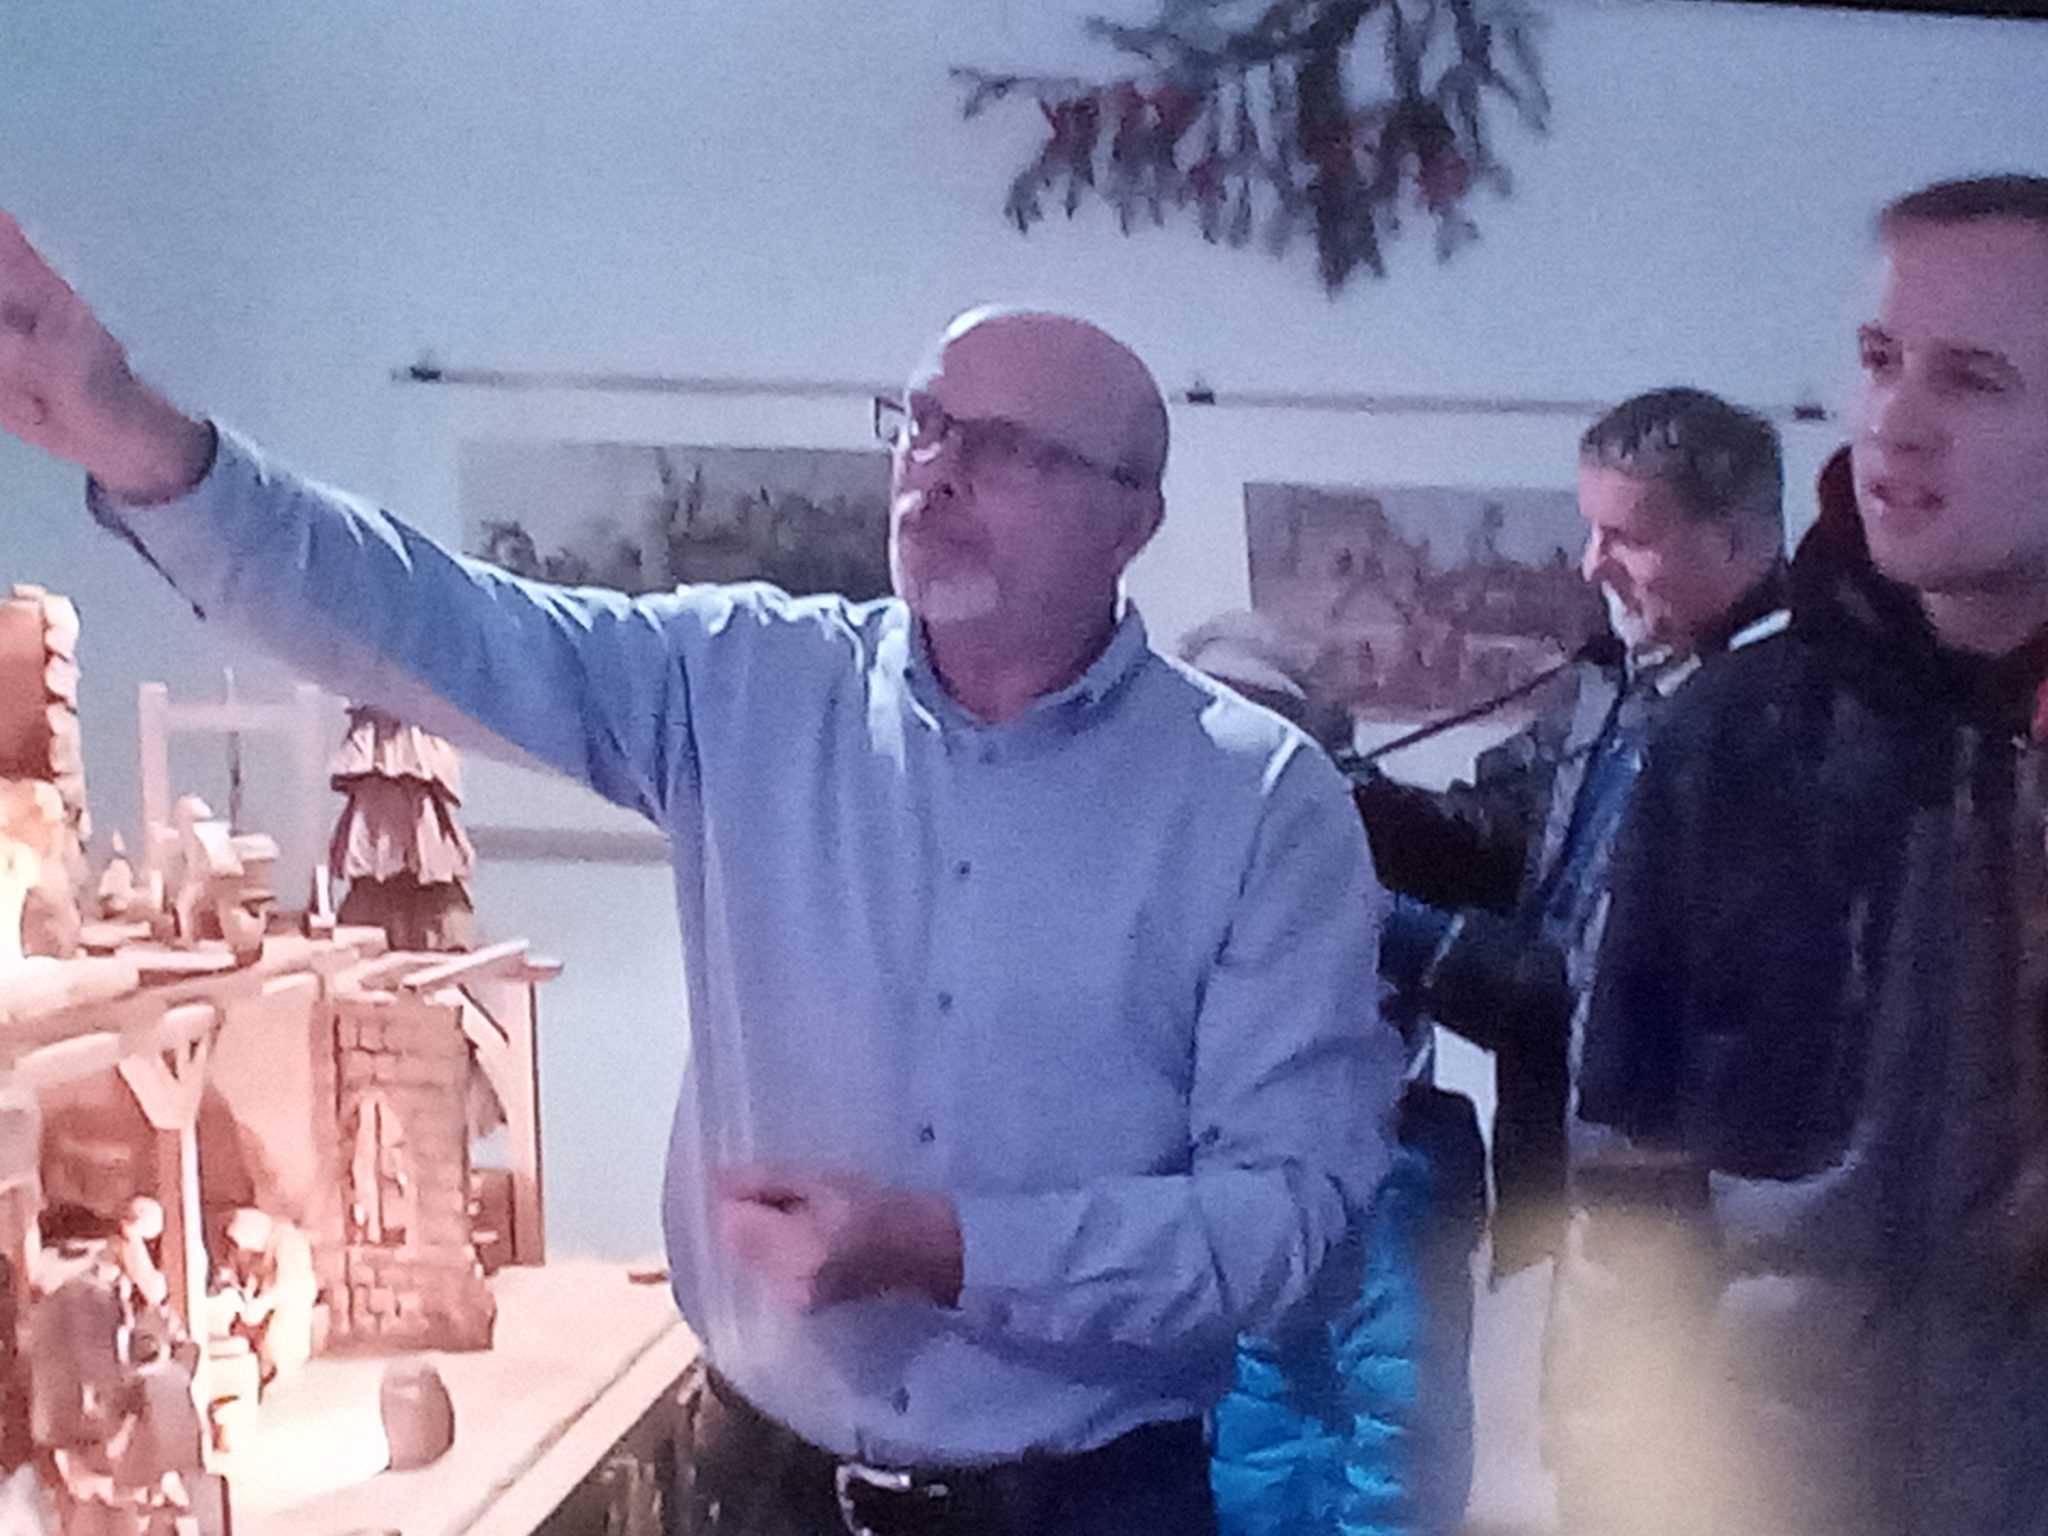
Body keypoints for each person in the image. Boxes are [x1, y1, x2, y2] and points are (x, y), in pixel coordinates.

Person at [0, 216, 1401, 1535]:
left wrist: (944, 1247)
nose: (935, 470)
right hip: (754, 1483)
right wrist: (145, 443)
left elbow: (1289, 1225)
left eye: (1006, 448)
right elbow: (435, 621)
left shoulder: (1258, 805)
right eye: (921, 423)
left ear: (1130, 517)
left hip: (1087, 1503)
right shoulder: (742, 683)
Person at [1206, 388, 1788, 1536]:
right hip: (1570, 1189)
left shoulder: (1776, 725)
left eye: (1625, 536)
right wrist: (1320, 799)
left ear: (1737, 539)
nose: (1592, 564)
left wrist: (1373, 922)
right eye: (1589, 528)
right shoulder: (1622, 683)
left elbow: (1598, 1003)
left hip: (1686, 1225)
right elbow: (1491, 837)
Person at [1575, 173, 2048, 1536]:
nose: (1895, 420)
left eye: (1973, 378)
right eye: (1880, 359)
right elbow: (1631, 1192)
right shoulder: (1736, 736)